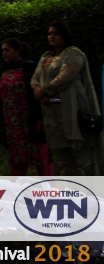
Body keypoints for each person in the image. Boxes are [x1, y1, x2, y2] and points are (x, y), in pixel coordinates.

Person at [31, 20, 104, 176]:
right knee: (64, 154)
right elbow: (35, 78)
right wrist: (39, 92)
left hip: (72, 107)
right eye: (49, 33)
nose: (51, 36)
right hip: (51, 112)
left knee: (81, 151)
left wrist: (45, 91)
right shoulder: (46, 57)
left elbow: (66, 76)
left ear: (64, 35)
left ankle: (92, 189)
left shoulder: (73, 53)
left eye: (55, 33)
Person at [0, 38, 52, 175]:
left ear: (18, 51)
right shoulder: (3, 70)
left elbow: (36, 94)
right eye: (3, 50)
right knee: (16, 157)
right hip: (11, 122)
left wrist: (39, 117)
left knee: (39, 153)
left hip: (29, 118)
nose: (4, 53)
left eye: (7, 50)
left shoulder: (30, 68)